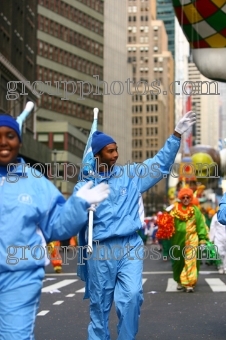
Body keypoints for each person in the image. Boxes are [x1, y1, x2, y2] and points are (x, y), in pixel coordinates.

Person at [75, 111, 196, 339]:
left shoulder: (130, 176)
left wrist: (176, 135)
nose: (116, 155)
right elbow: (70, 217)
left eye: (116, 150)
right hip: (100, 250)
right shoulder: (85, 185)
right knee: (99, 308)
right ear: (97, 155)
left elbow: (158, 164)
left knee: (131, 297)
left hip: (130, 245)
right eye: (110, 151)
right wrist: (81, 205)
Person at [0, 113, 110, 340]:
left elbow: (57, 227)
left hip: (19, 278)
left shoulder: (35, 183)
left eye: (10, 136)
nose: (3, 142)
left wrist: (78, 204)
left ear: (20, 141)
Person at [169, 188, 208, 293]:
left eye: (188, 197)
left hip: (192, 239)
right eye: (183, 197)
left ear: (191, 198)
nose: (186, 199)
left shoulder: (195, 210)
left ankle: (190, 283)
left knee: (191, 261)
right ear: (180, 198)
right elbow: (169, 224)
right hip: (178, 240)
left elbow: (200, 225)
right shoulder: (175, 209)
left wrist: (202, 239)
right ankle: (179, 281)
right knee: (178, 261)